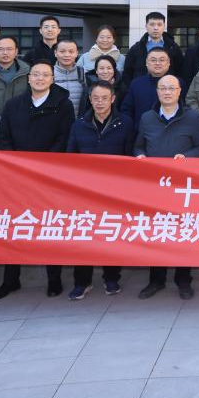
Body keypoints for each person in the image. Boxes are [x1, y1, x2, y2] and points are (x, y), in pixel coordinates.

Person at [0, 59, 75, 300]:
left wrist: (44, 165)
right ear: (28, 79)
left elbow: (64, 137)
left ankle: (54, 279)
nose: (40, 79)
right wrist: (15, 163)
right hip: (16, 175)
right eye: (36, 74)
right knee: (15, 226)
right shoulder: (13, 104)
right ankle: (10, 280)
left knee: (49, 226)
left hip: (49, 176)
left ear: (52, 79)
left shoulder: (63, 105)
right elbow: (3, 135)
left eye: (45, 75)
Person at [134, 74, 199, 299]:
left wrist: (187, 157)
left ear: (179, 91)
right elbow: (138, 145)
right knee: (157, 232)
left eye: (171, 88)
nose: (167, 92)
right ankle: (156, 280)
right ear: (157, 92)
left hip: (182, 186)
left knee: (182, 232)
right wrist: (140, 155)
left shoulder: (193, 117)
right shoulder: (147, 117)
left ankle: (183, 280)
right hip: (154, 186)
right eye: (163, 88)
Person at [66, 80, 134, 300]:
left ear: (113, 99)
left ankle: (111, 278)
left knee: (110, 234)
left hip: (115, 190)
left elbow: (130, 156)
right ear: (89, 99)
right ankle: (82, 281)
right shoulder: (79, 125)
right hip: (84, 191)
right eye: (95, 98)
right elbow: (70, 157)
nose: (100, 102)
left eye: (104, 98)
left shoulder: (125, 123)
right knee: (83, 235)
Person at [123, 11, 184, 88]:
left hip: (167, 89)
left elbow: (180, 70)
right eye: (152, 24)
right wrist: (131, 89)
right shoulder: (136, 48)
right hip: (142, 88)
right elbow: (127, 72)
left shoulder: (173, 47)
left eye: (159, 25)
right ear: (146, 26)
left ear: (164, 26)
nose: (156, 28)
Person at [120, 47, 177, 127]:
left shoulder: (177, 83)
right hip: (141, 132)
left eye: (162, 60)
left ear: (168, 63)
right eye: (153, 60)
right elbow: (126, 110)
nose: (157, 63)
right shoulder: (136, 84)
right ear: (146, 62)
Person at [52, 39, 85, 113]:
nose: (67, 55)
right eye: (62, 51)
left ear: (76, 53)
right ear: (55, 53)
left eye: (71, 52)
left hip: (78, 119)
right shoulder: (49, 73)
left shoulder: (83, 73)